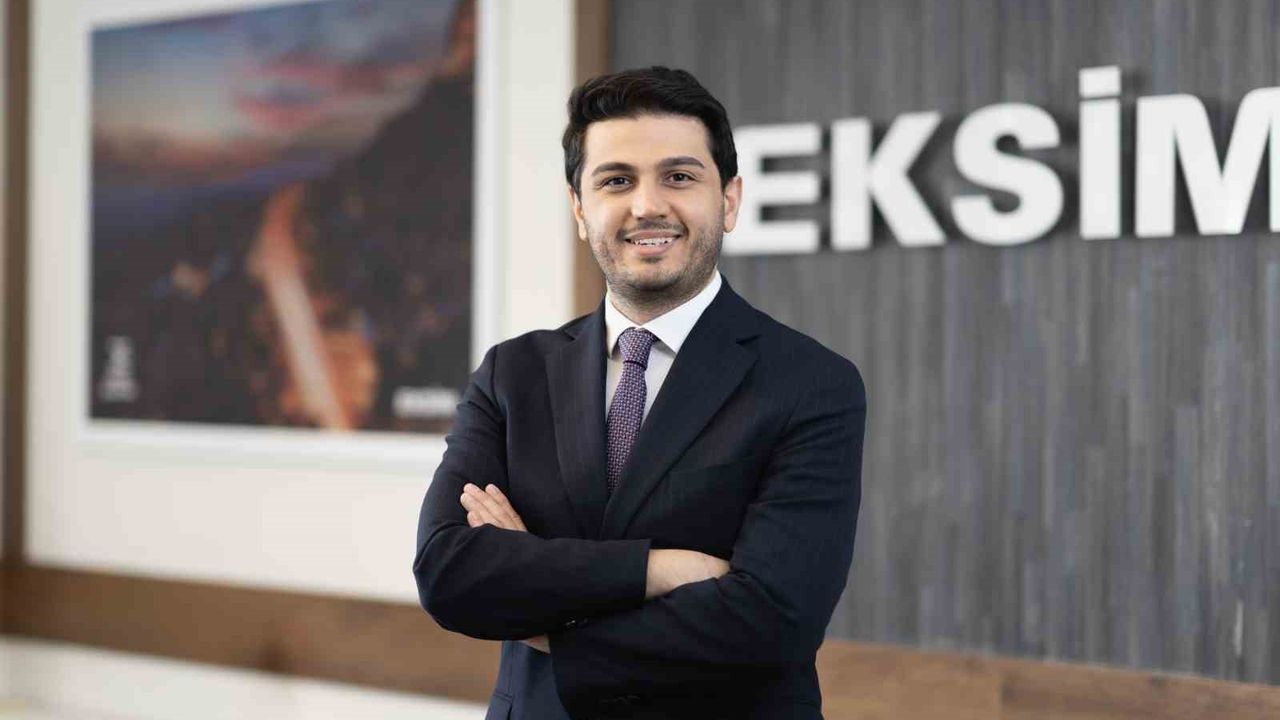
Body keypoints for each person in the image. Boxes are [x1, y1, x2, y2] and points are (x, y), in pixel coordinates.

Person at [413, 66, 866, 720]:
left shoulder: (811, 383)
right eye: (616, 180)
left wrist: (543, 613)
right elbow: (448, 572)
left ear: (729, 199)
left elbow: (771, 619)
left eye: (678, 177)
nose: (647, 205)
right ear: (579, 208)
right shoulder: (512, 373)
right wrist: (659, 570)